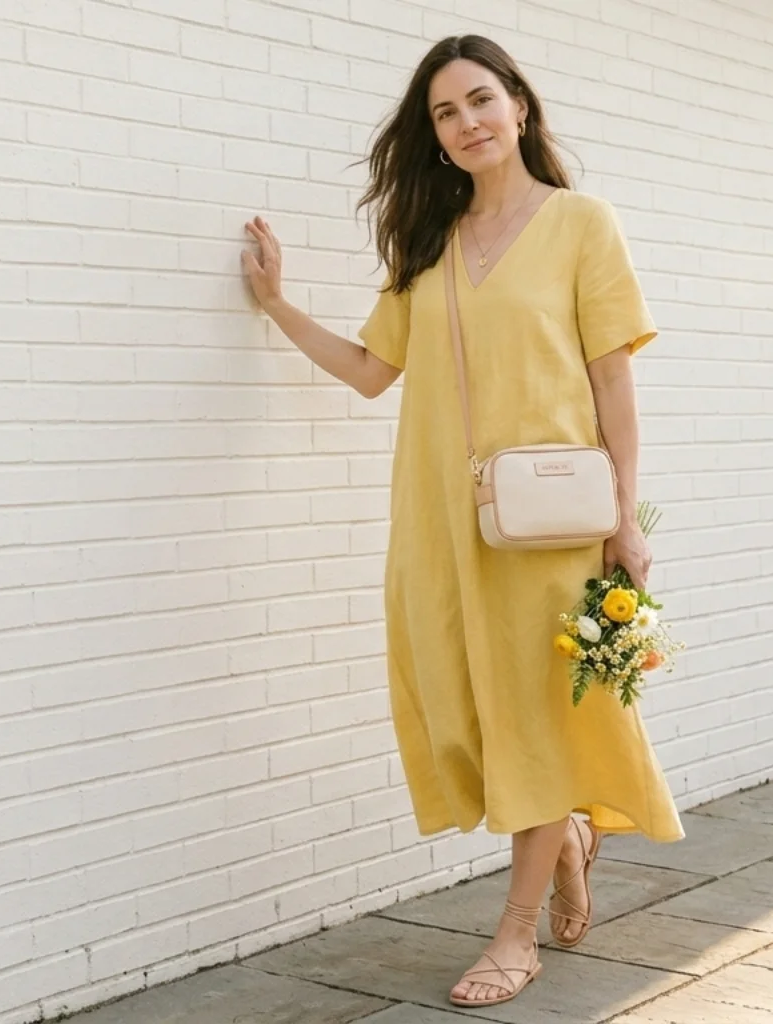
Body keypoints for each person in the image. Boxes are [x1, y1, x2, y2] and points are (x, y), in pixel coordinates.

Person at [242, 33, 684, 1010]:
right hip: (442, 521)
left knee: (538, 719)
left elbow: (613, 380)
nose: (467, 122)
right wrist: (277, 306)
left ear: (518, 105)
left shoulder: (581, 223)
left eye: (480, 99)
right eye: (445, 112)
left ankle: (515, 934)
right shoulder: (428, 243)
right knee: (472, 711)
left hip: (551, 526)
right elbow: (373, 372)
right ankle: (566, 841)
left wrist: (625, 519)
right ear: (435, 136)